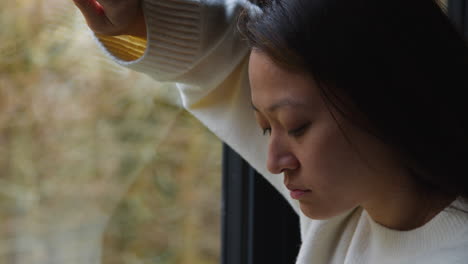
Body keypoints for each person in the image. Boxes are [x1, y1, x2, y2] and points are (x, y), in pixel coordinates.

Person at [72, 0, 468, 263]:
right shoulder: (349, 204)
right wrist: (132, 18)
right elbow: (220, 57)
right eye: (264, 128)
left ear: (387, 99)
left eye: (297, 127)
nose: (275, 161)